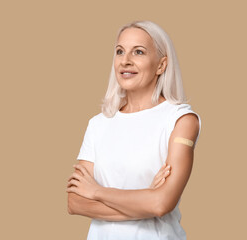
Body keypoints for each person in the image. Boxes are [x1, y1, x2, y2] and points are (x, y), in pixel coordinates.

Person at [66, 20, 201, 240]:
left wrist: (97, 192)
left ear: (161, 65)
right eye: (120, 51)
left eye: (138, 52)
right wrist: (145, 198)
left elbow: (161, 204)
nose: (125, 61)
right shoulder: (98, 124)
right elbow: (75, 202)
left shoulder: (181, 120)